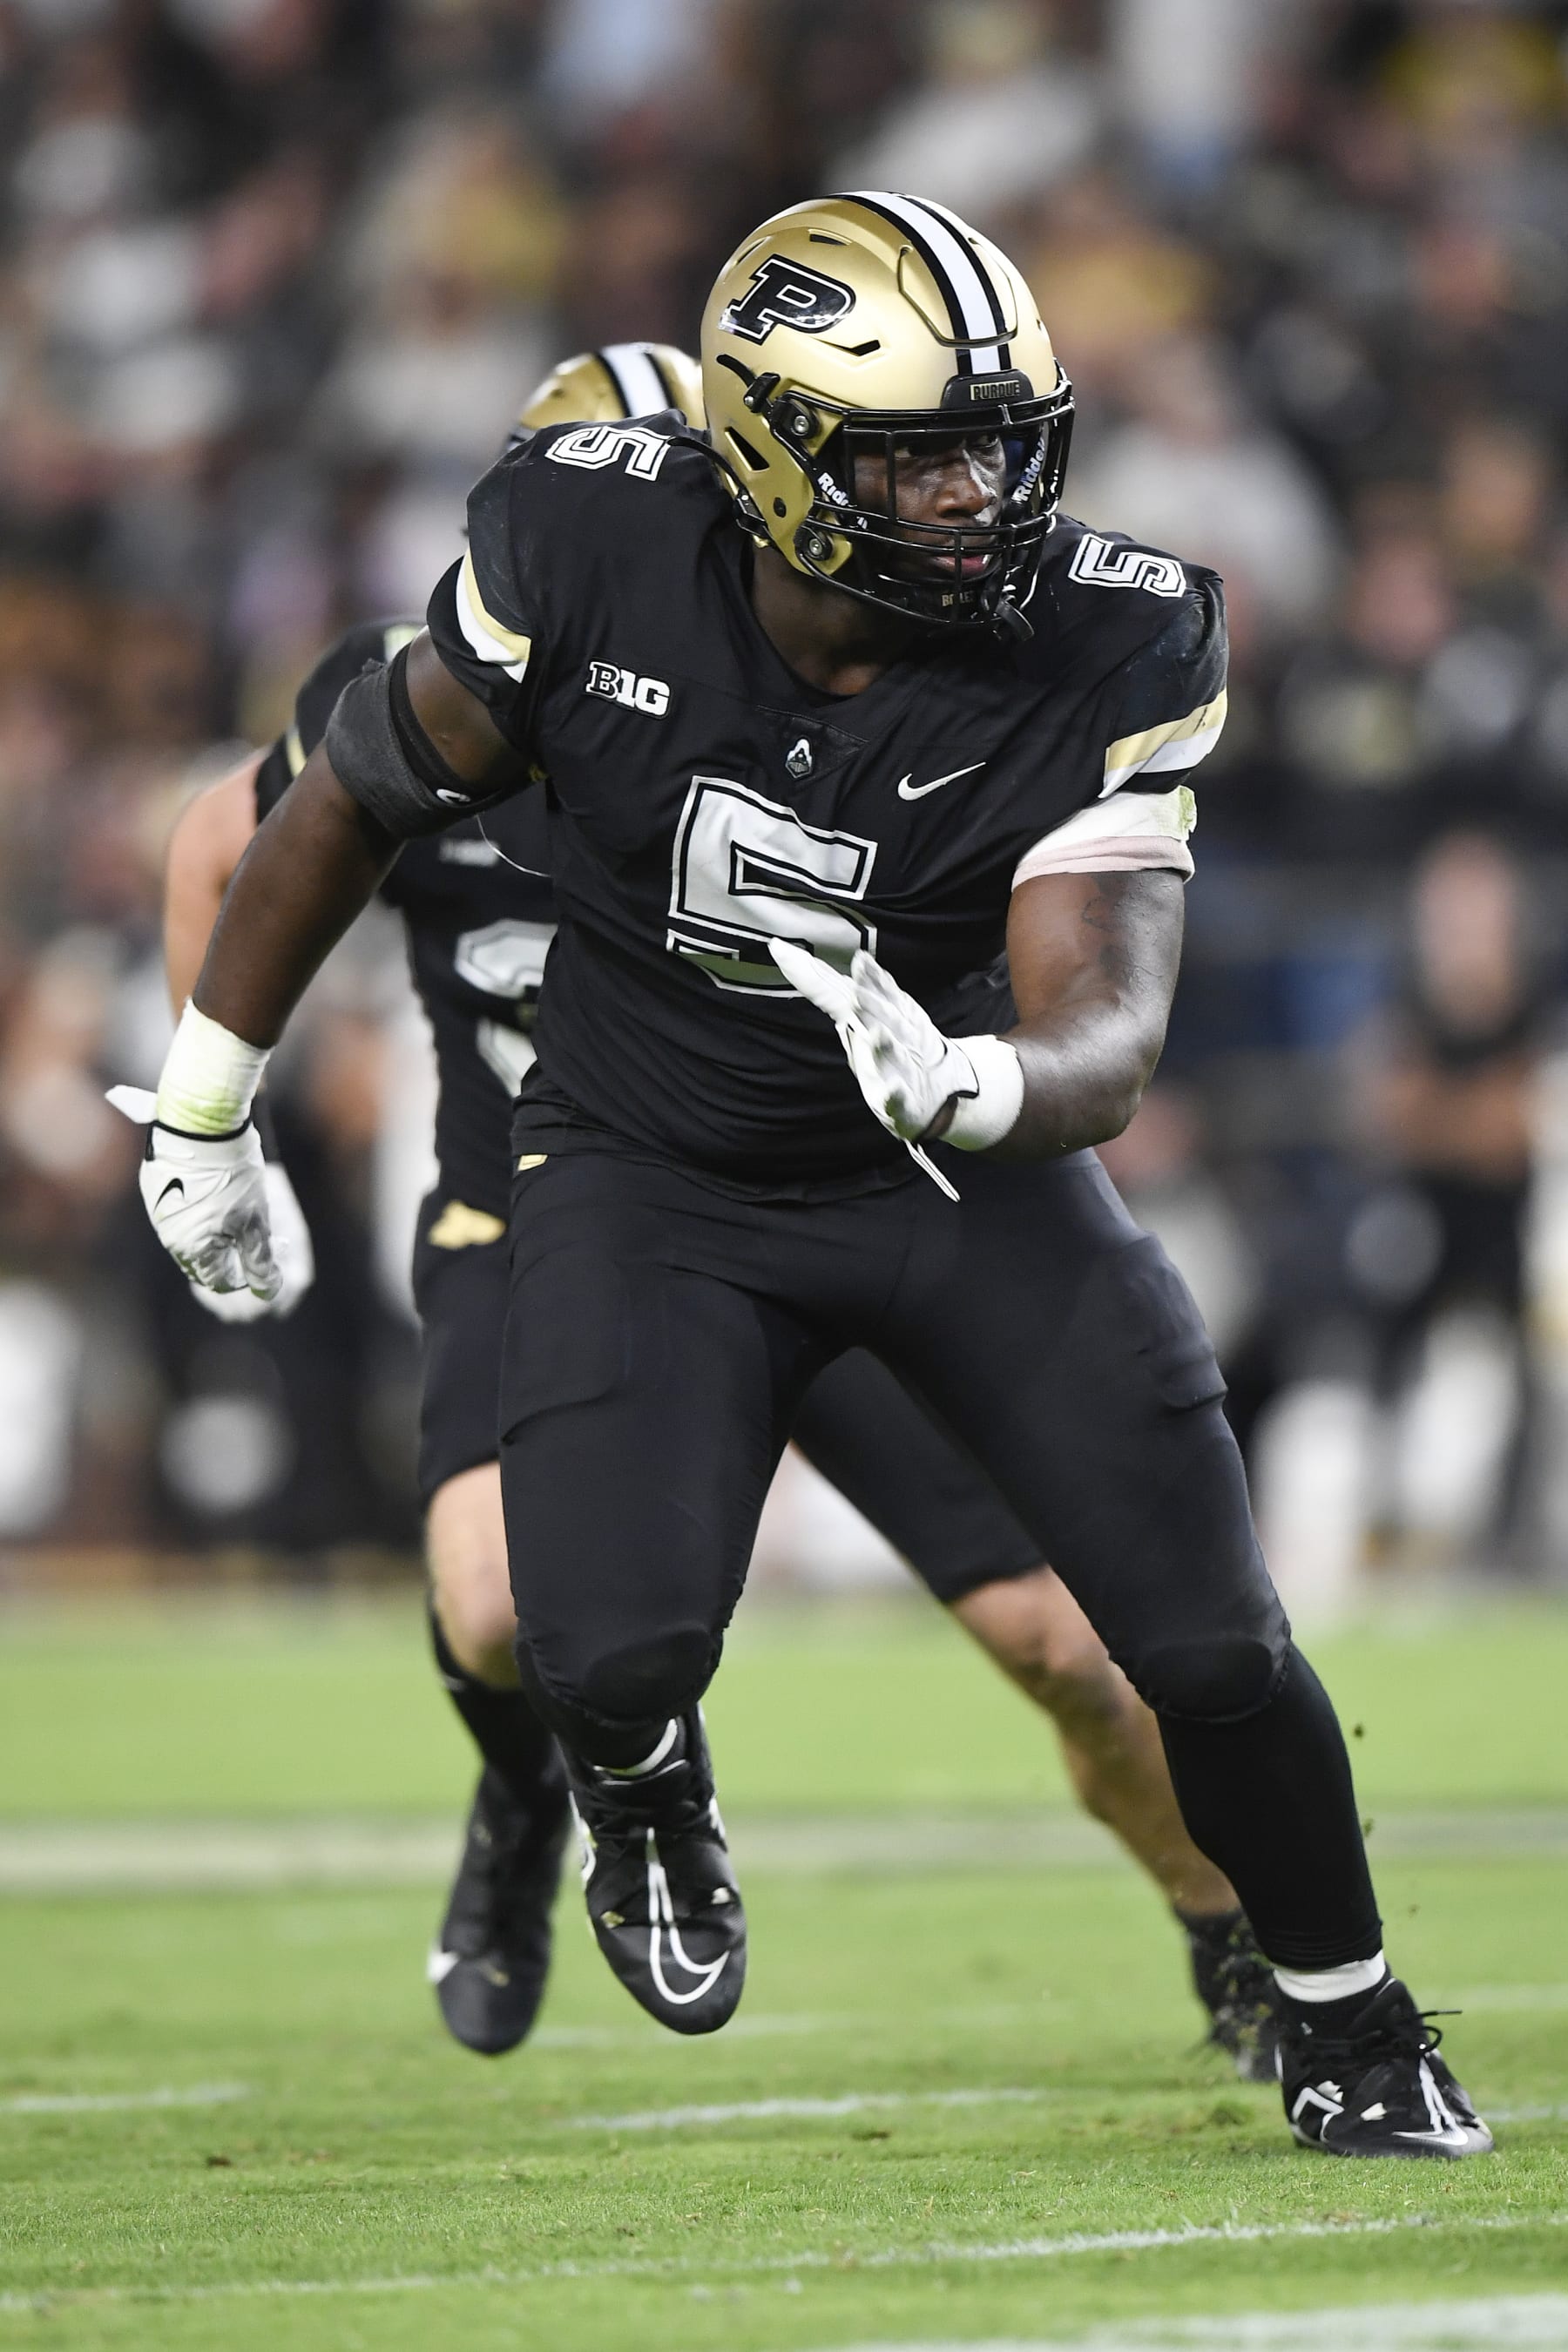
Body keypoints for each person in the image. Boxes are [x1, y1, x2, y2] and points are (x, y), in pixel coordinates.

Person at [130, 196, 1490, 2158]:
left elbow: (1106, 1024)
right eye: (918, 452)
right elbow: (315, 809)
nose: (976, 493)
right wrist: (205, 1105)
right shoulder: (578, 560)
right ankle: (621, 1787)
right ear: (758, 459)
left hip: (932, 1172)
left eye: (995, 442)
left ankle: (1343, 2013)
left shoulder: (1110, 627)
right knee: (571, 1633)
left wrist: (982, 1084)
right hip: (635, 1177)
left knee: (1192, 1639)